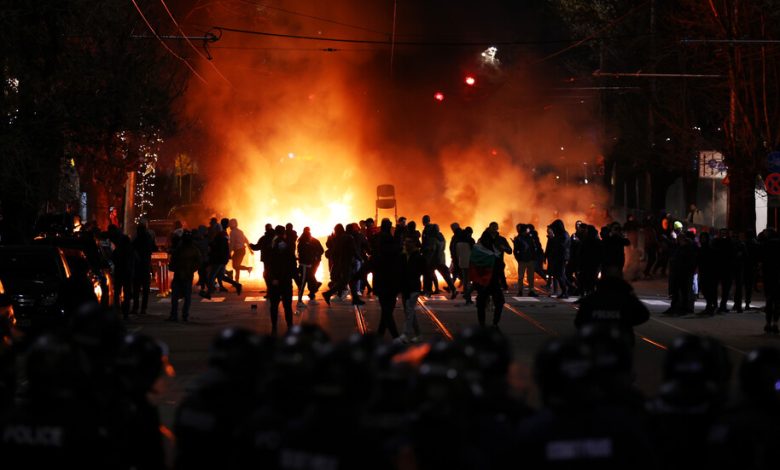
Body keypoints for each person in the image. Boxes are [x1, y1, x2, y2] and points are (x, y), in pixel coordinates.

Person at [574, 276, 650, 346]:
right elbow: (644, 315)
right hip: (622, 339)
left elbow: (579, 321)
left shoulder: (591, 299)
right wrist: (626, 322)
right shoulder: (627, 299)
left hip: (596, 339)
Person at [371, 219, 402, 340]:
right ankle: (396, 337)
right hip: (390, 282)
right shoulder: (391, 242)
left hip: (382, 281)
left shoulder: (377, 241)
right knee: (387, 311)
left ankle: (380, 336)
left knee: (386, 310)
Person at [266, 225, 297, 335]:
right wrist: (296, 277)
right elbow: (293, 264)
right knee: (287, 305)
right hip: (286, 280)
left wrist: (272, 278)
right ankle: (289, 326)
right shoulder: (289, 246)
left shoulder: (272, 246)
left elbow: (269, 265)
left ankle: (274, 327)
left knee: (274, 305)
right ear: (284, 233)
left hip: (276, 281)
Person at [471, 229, 504, 328]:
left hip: (486, 282)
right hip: (488, 282)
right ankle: (491, 323)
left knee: (483, 304)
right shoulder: (493, 251)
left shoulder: (479, 250)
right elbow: (500, 267)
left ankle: (486, 323)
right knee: (495, 303)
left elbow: (472, 264)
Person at [168, 231, 201, 322]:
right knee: (186, 297)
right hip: (185, 275)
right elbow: (198, 262)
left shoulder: (180, 249)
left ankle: (175, 315)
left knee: (176, 297)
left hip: (182, 275)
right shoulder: (193, 249)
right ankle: (183, 315)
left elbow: (172, 263)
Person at [399, 235, 425, 343]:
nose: (406, 244)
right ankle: (419, 334)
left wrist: (427, 288)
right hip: (405, 287)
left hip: (414, 287)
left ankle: (405, 334)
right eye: (405, 242)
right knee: (409, 311)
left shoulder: (418, 257)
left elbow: (426, 272)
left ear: (414, 244)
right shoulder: (403, 256)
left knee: (409, 310)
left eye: (409, 242)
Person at [131, 221, 157, 316]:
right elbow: (154, 248)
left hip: (139, 267)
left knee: (137, 289)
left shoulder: (137, 239)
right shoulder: (148, 238)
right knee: (145, 289)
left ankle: (136, 308)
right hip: (145, 266)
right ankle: (143, 309)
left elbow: (131, 248)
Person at [296, 227, 324, 307]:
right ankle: (300, 301)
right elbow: (306, 255)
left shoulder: (303, 242)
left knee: (310, 281)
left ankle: (310, 297)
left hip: (308, 265)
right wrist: (315, 257)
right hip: (306, 266)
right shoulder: (305, 243)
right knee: (304, 283)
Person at [545, 219, 570, 298]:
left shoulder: (564, 235)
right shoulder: (560, 235)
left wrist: (553, 239)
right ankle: (565, 291)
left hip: (562, 258)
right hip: (558, 257)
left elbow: (561, 246)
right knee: (559, 275)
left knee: (560, 275)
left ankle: (566, 291)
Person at [513, 224, 538, 297]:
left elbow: (533, 248)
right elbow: (515, 250)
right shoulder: (518, 239)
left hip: (530, 260)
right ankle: (520, 291)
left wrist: (533, 258)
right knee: (521, 277)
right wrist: (519, 259)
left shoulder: (530, 238)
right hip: (523, 260)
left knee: (531, 277)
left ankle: (531, 290)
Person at [228, 218, 252, 283]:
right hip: (242, 250)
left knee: (235, 266)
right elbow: (246, 240)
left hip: (238, 251)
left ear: (233, 225)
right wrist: (250, 250)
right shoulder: (240, 231)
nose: (229, 226)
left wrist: (229, 252)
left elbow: (232, 243)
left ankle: (248, 268)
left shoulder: (232, 232)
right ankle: (236, 281)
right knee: (237, 266)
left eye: (230, 225)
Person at [456, 226, 475, 304]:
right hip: (470, 262)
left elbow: (457, 254)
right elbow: (474, 251)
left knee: (465, 280)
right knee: (470, 281)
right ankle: (468, 296)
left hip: (462, 262)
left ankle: (466, 294)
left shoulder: (458, 241)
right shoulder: (471, 241)